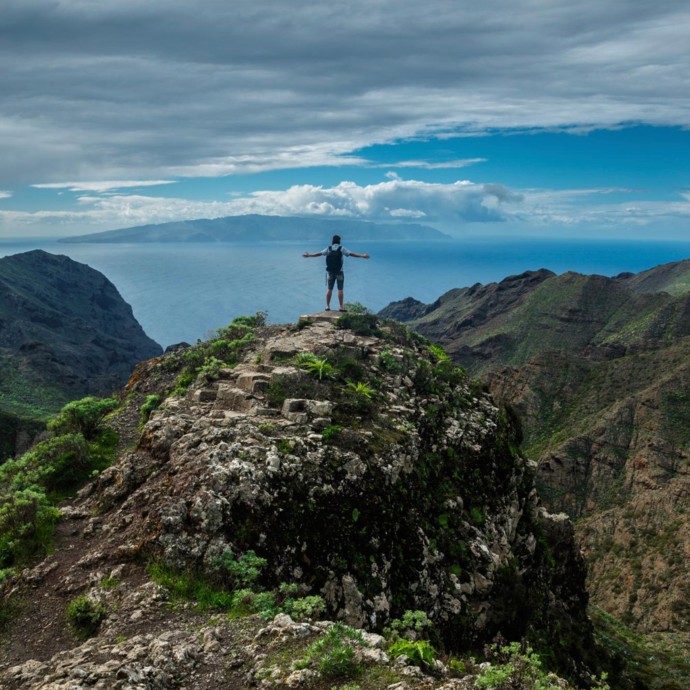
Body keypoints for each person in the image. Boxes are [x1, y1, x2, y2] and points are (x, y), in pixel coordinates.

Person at [303, 234, 370, 311]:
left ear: (332, 241)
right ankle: (341, 307)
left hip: (330, 272)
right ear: (339, 241)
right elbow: (351, 254)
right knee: (340, 289)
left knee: (329, 289)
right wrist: (362, 255)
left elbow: (319, 254)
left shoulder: (328, 248)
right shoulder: (342, 249)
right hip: (339, 272)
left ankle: (327, 306)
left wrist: (309, 255)